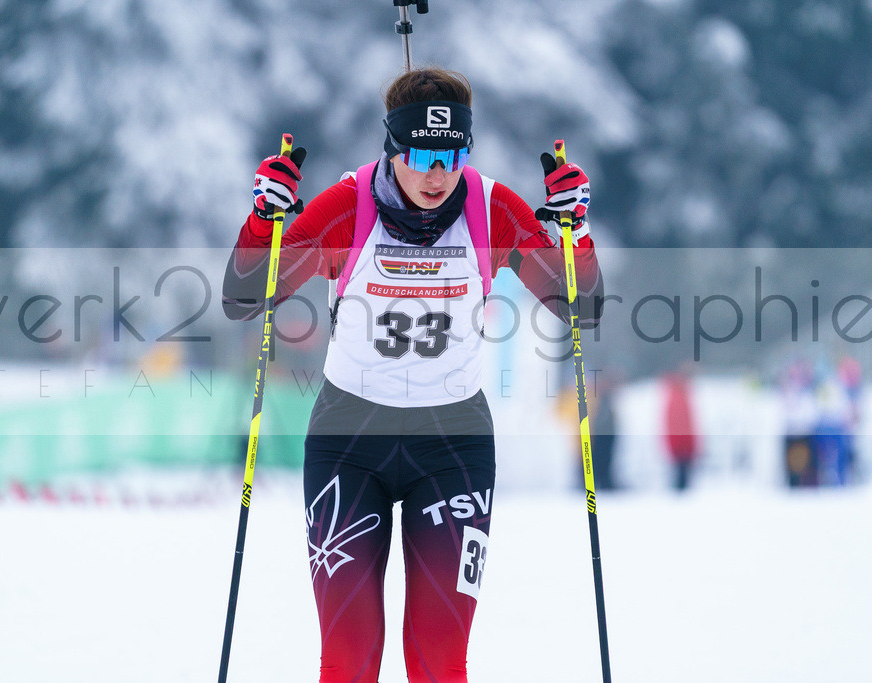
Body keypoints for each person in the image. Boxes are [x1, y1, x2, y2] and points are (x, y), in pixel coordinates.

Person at [223, 67, 603, 683]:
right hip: (350, 440)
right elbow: (244, 297)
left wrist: (574, 234)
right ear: (393, 148)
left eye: (451, 154)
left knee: (439, 663)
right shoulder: (347, 207)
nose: (436, 173)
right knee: (349, 662)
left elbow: (581, 307)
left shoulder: (490, 208)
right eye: (422, 154)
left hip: (452, 444)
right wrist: (263, 221)